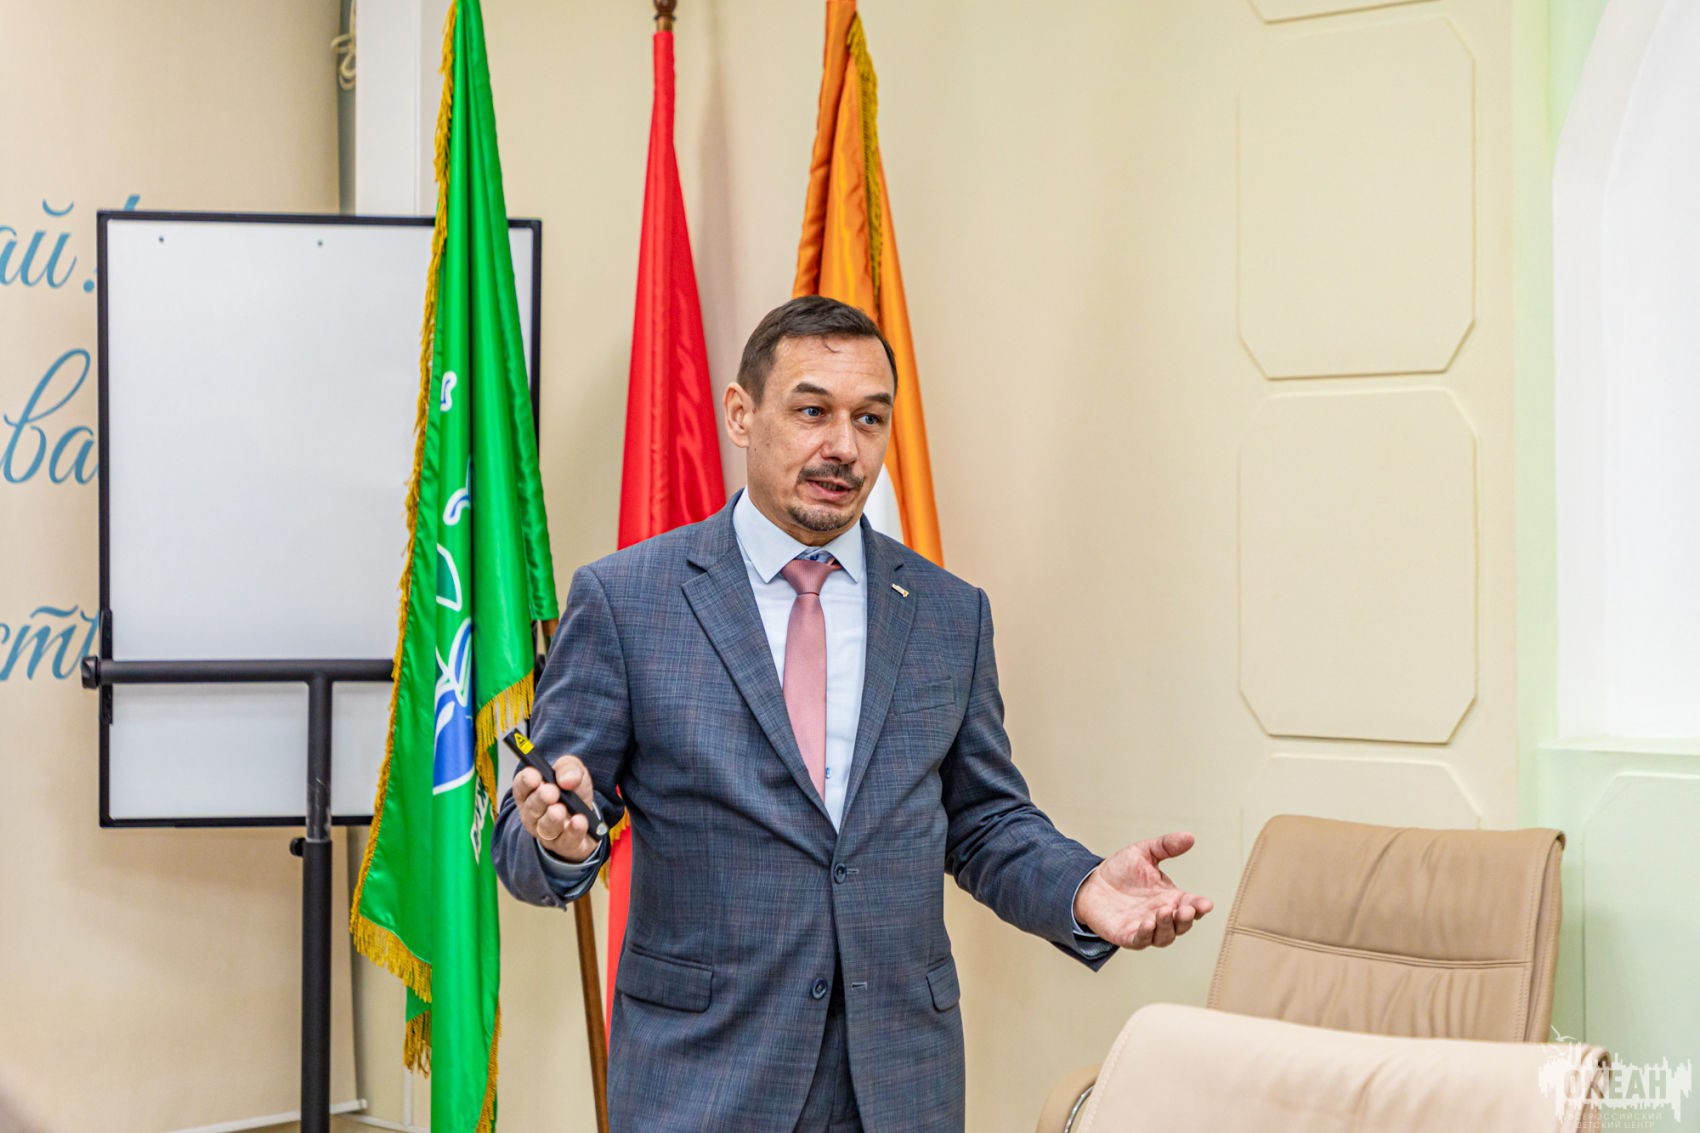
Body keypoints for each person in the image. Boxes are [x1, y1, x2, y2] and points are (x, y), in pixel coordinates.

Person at [493, 296, 1213, 1133]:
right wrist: (561, 841)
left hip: (897, 1082)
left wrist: (1084, 886)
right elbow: (534, 834)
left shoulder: (949, 613)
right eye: (813, 411)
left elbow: (983, 820)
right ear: (741, 414)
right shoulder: (627, 601)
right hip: (703, 1081)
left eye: (869, 418)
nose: (844, 445)